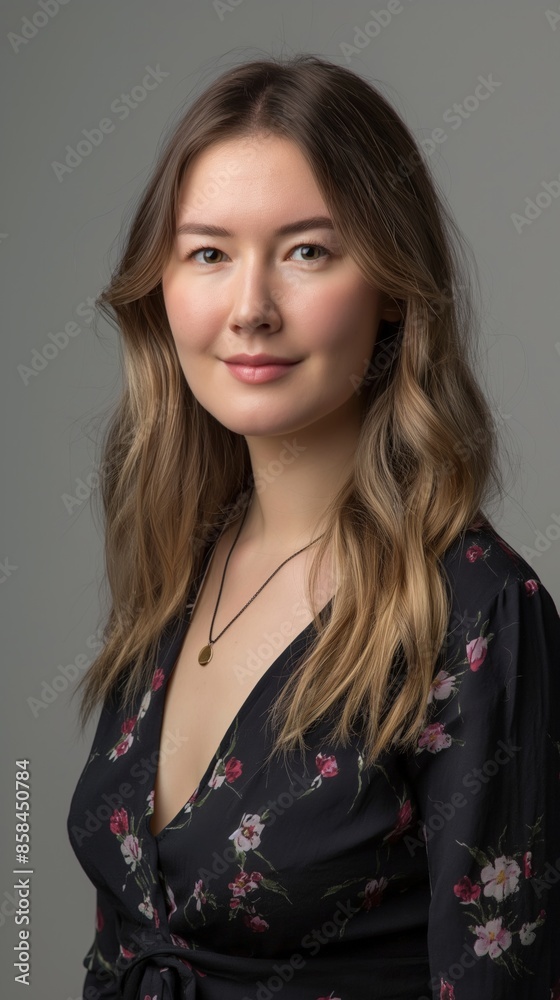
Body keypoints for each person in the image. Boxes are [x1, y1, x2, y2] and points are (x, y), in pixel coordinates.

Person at [66, 53, 560, 1000]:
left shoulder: (478, 616)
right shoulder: (180, 571)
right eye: (209, 252)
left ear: (391, 289)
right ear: (161, 291)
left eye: (307, 252)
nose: (250, 309)